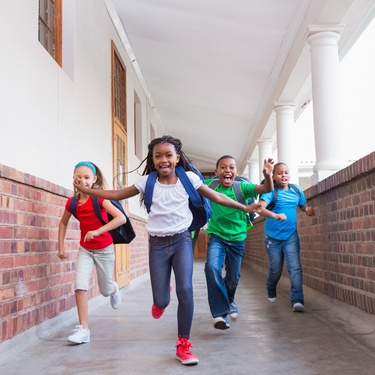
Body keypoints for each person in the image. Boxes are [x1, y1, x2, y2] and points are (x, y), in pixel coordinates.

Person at [74, 135, 262, 366]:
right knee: (162, 301)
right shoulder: (147, 182)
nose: (164, 160)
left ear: (177, 157)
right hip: (158, 244)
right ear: (153, 160)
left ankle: (183, 344)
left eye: (168, 155)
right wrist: (90, 191)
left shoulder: (189, 178)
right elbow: (116, 195)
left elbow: (217, 196)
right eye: (158, 156)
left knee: (186, 289)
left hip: (182, 240)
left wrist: (244, 207)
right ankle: (161, 297)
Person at [204, 155, 286, 330]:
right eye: (223, 167)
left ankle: (230, 300)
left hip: (237, 238)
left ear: (236, 171)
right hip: (217, 236)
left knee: (233, 278)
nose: (228, 171)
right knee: (212, 267)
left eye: (231, 167)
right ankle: (220, 314)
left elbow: (266, 187)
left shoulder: (242, 187)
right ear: (216, 171)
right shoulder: (210, 186)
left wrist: (268, 175)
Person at [58, 161, 126, 344]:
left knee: (105, 291)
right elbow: (63, 222)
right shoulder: (72, 203)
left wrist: (98, 231)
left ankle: (113, 288)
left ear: (94, 180)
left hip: (104, 250)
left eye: (87, 177)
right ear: (73, 179)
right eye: (78, 177)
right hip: (85, 250)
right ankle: (84, 329)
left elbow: (121, 218)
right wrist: (61, 246)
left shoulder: (100, 199)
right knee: (80, 285)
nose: (82, 181)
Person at [259, 162, 314, 312]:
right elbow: (260, 208)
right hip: (272, 237)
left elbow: (302, 205)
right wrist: (275, 215)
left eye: (286, 172)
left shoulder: (296, 190)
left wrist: (307, 209)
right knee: (276, 269)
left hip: (291, 235)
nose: (283, 175)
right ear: (273, 177)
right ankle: (271, 286)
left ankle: (297, 300)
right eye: (279, 173)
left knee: (295, 267)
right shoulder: (271, 191)